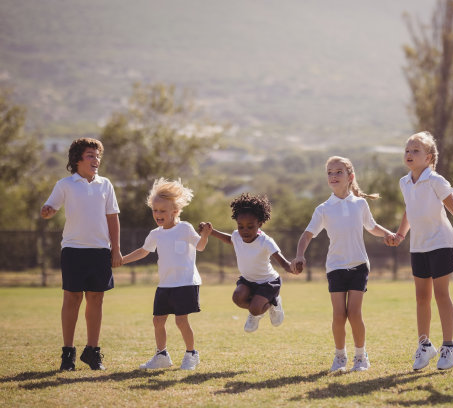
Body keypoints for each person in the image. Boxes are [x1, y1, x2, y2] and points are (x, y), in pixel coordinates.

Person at [388, 132, 453, 371]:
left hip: (441, 243)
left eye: (415, 151)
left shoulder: (436, 181)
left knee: (441, 295)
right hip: (418, 246)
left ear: (429, 157)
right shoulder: (404, 182)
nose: (409, 154)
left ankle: (449, 347)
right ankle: (424, 345)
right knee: (421, 297)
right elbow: (409, 211)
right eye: (407, 150)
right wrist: (401, 234)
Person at [291, 156, 395, 373]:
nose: (333, 176)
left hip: (359, 265)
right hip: (335, 267)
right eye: (329, 172)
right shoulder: (323, 209)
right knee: (339, 315)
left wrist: (387, 234)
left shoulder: (360, 203)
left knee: (354, 314)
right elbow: (307, 235)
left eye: (338, 172)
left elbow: (372, 226)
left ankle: (360, 356)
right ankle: (340, 357)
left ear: (350, 177)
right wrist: (300, 255)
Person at [41, 138, 122, 371]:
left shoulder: (106, 184)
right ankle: (68, 354)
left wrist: (115, 249)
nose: (96, 160)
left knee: (96, 299)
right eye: (90, 155)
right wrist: (46, 212)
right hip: (73, 250)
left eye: (98, 156)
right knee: (72, 299)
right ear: (77, 158)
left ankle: (92, 352)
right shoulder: (65, 184)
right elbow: (50, 209)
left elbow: (112, 218)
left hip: (100, 251)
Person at [121, 178, 211, 370]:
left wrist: (204, 235)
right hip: (165, 284)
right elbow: (143, 251)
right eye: (155, 210)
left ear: (175, 212)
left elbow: (201, 247)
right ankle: (161, 355)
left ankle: (191, 354)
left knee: (181, 320)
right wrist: (122, 260)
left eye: (162, 211)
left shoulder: (185, 228)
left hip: (186, 282)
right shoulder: (156, 233)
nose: (158, 214)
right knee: (158, 320)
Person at [203, 193, 296, 333]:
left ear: (259, 224)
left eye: (250, 226)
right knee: (237, 298)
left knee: (254, 308)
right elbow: (231, 240)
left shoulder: (266, 241)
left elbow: (283, 262)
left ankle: (269, 304)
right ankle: (266, 305)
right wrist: (212, 232)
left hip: (268, 282)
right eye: (241, 226)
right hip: (248, 280)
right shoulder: (237, 236)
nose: (244, 231)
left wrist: (292, 268)